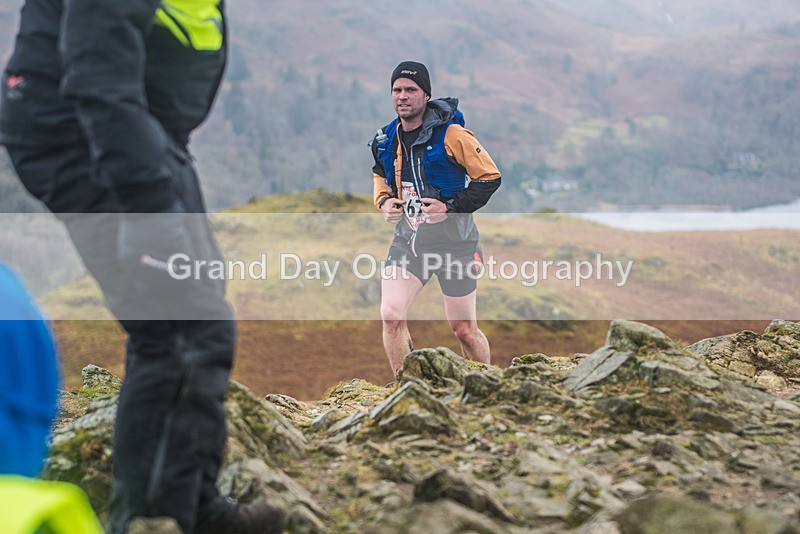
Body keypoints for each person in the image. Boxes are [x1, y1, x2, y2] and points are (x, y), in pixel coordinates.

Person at [0, 2, 285, 533]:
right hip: (87, 128)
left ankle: (189, 502)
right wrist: (148, 205)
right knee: (178, 329)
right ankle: (158, 520)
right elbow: (97, 74)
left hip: (137, 123)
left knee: (195, 319)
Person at [371, 61, 502, 375]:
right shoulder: (385, 139)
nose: (403, 96)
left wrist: (450, 208)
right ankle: (406, 389)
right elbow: (379, 173)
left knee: (464, 329)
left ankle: (485, 385)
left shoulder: (452, 135)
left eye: (411, 89)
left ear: (426, 95)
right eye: (397, 90)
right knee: (391, 316)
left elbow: (489, 178)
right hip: (409, 243)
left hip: (455, 245)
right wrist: (384, 202)